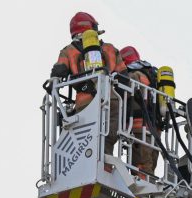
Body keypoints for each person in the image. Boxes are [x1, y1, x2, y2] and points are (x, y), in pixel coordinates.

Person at [50, 12, 126, 153]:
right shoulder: (110, 49)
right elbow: (125, 78)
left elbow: (58, 73)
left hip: (85, 103)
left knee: (84, 142)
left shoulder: (69, 51)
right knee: (106, 142)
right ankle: (105, 165)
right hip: (112, 100)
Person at [119, 46, 160, 175]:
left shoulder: (132, 75)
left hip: (139, 127)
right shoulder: (153, 74)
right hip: (156, 129)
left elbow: (121, 95)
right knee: (151, 165)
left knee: (141, 166)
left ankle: (144, 195)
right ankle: (150, 190)